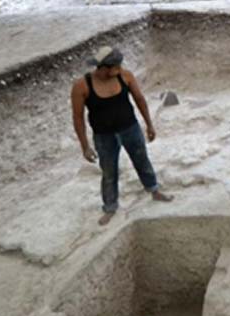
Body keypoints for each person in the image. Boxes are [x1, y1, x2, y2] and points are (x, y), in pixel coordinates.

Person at [70, 46, 173, 225]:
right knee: (109, 172)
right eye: (115, 66)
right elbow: (78, 118)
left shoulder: (125, 76)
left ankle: (154, 190)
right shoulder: (82, 86)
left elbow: (139, 99)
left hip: (130, 129)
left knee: (142, 160)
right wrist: (85, 146)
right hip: (104, 136)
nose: (119, 69)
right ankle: (110, 207)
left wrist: (149, 124)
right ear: (103, 67)